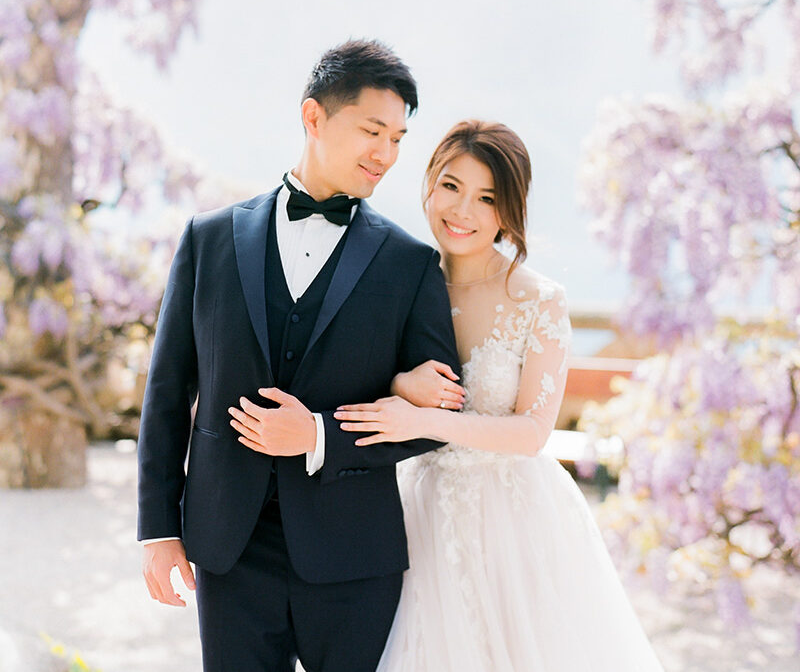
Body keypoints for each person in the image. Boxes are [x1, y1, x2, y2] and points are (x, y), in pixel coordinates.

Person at [137, 40, 461, 672]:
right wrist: (158, 529)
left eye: (398, 138)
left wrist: (318, 433)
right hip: (229, 548)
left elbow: (438, 421)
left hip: (353, 558)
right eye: (373, 131)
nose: (386, 155)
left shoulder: (410, 264)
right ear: (313, 118)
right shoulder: (208, 239)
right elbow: (168, 392)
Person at [335, 120, 665, 671]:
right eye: (451, 186)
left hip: (512, 519)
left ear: (509, 208)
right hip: (415, 513)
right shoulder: (395, 282)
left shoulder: (538, 299)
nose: (462, 211)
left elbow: (532, 432)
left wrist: (424, 421)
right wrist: (398, 386)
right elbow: (354, 378)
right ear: (428, 185)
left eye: (486, 198)